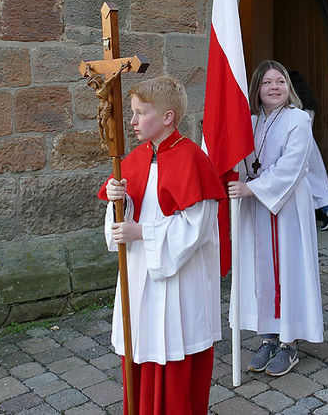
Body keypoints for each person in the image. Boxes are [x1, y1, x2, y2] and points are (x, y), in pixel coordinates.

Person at [98, 75, 227, 415]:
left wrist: (142, 233)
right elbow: (120, 225)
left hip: (177, 282)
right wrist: (116, 200)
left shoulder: (193, 160)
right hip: (140, 275)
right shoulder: (137, 158)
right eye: (133, 112)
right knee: (140, 348)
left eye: (141, 113)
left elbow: (195, 229)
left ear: (168, 117)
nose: (132, 121)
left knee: (173, 356)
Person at [227, 60, 324, 377]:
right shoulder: (250, 121)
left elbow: (291, 167)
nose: (274, 87)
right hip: (255, 205)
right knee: (261, 271)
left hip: (287, 207)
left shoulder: (298, 120)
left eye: (280, 81)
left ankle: (289, 342)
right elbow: (240, 158)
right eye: (267, 82)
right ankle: (268, 336)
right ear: (258, 89)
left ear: (288, 87)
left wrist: (251, 188)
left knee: (288, 270)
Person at [287, 69, 328, 230]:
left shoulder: (291, 108)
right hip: (311, 147)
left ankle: (313, 214)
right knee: (318, 180)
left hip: (295, 145)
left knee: (301, 181)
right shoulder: (308, 106)